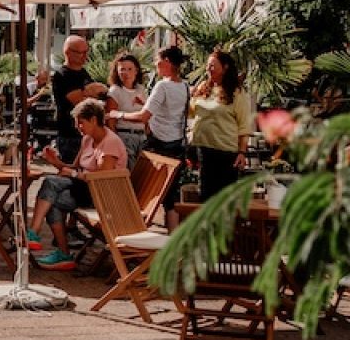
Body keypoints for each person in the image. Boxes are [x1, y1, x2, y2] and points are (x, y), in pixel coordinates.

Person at [26, 98, 128, 270]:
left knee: (51, 182)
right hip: (85, 189)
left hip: (103, 194)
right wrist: (55, 161)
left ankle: (34, 233)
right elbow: (75, 167)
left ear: (94, 120)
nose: (77, 127)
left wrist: (72, 173)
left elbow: (102, 177)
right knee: (53, 202)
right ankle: (63, 254)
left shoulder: (109, 143)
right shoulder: (88, 139)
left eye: (81, 123)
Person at [112, 45, 190, 226]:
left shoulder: (162, 85)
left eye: (158, 60)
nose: (155, 64)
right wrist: (146, 102)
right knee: (170, 196)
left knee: (141, 188)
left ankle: (132, 228)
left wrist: (118, 115)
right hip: (176, 143)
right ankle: (172, 239)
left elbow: (143, 116)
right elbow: (170, 110)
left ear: (167, 62)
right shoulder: (184, 86)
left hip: (158, 144)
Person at [189, 48, 254, 202]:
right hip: (204, 149)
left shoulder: (236, 93)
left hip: (226, 152)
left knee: (224, 198)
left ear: (225, 67)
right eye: (207, 65)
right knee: (205, 194)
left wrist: (242, 152)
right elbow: (190, 112)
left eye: (212, 65)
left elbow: (243, 124)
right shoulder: (203, 88)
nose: (208, 69)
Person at [51, 35, 107, 164]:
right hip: (70, 134)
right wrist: (90, 93)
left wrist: (91, 93)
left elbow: (101, 94)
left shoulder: (84, 73)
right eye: (80, 52)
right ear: (68, 52)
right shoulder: (62, 75)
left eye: (86, 52)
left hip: (88, 134)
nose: (84, 56)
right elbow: (79, 102)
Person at [105, 52, 148, 164]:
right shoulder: (115, 91)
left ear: (136, 70)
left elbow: (146, 114)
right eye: (122, 69)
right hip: (125, 136)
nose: (126, 73)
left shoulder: (141, 90)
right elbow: (111, 120)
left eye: (129, 69)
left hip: (142, 137)